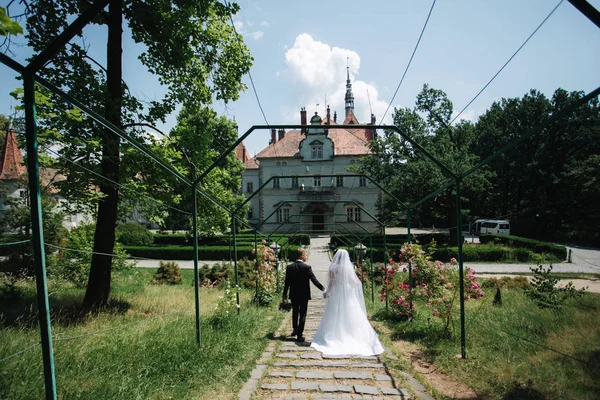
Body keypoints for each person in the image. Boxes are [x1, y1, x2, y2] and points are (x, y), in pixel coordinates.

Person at [311, 249, 384, 356]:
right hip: (348, 293)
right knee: (351, 313)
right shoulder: (349, 268)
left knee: (335, 314)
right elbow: (354, 282)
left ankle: (336, 335)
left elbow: (332, 282)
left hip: (337, 292)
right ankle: (354, 335)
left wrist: (327, 292)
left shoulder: (333, 268)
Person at [282, 247, 324, 342]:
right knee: (303, 314)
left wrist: (284, 295)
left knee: (295, 312)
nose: (306, 256)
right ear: (301, 256)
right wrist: (324, 289)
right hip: (304, 295)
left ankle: (295, 330)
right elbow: (315, 281)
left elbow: (286, 283)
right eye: (305, 254)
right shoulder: (307, 268)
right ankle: (300, 335)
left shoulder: (290, 267)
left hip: (293, 294)